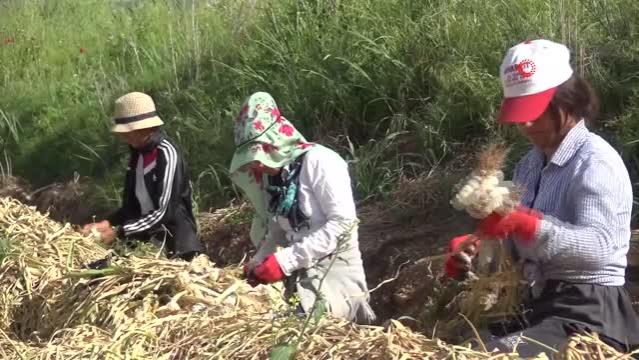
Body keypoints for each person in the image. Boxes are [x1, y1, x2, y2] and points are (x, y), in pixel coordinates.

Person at [443, 39, 639, 356]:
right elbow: (518, 244)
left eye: (535, 112)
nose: (525, 124)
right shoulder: (529, 164)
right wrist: (478, 252)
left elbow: (600, 248)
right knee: (460, 350)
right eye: (519, 114)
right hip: (538, 303)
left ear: (569, 102)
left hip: (587, 313)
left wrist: (529, 225)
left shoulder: (595, 162)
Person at [229, 91, 376, 324]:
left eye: (258, 154)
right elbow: (278, 228)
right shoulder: (273, 176)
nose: (256, 165)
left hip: (335, 272)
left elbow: (343, 223)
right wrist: (260, 260)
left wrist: (286, 261)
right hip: (299, 276)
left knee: (318, 335)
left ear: (276, 142)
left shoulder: (320, 162)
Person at [81, 92, 202, 261]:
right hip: (146, 243)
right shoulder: (137, 156)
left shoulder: (166, 154)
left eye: (127, 131)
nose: (123, 136)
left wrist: (119, 232)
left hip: (175, 247)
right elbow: (132, 207)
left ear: (144, 127)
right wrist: (108, 223)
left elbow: (164, 212)